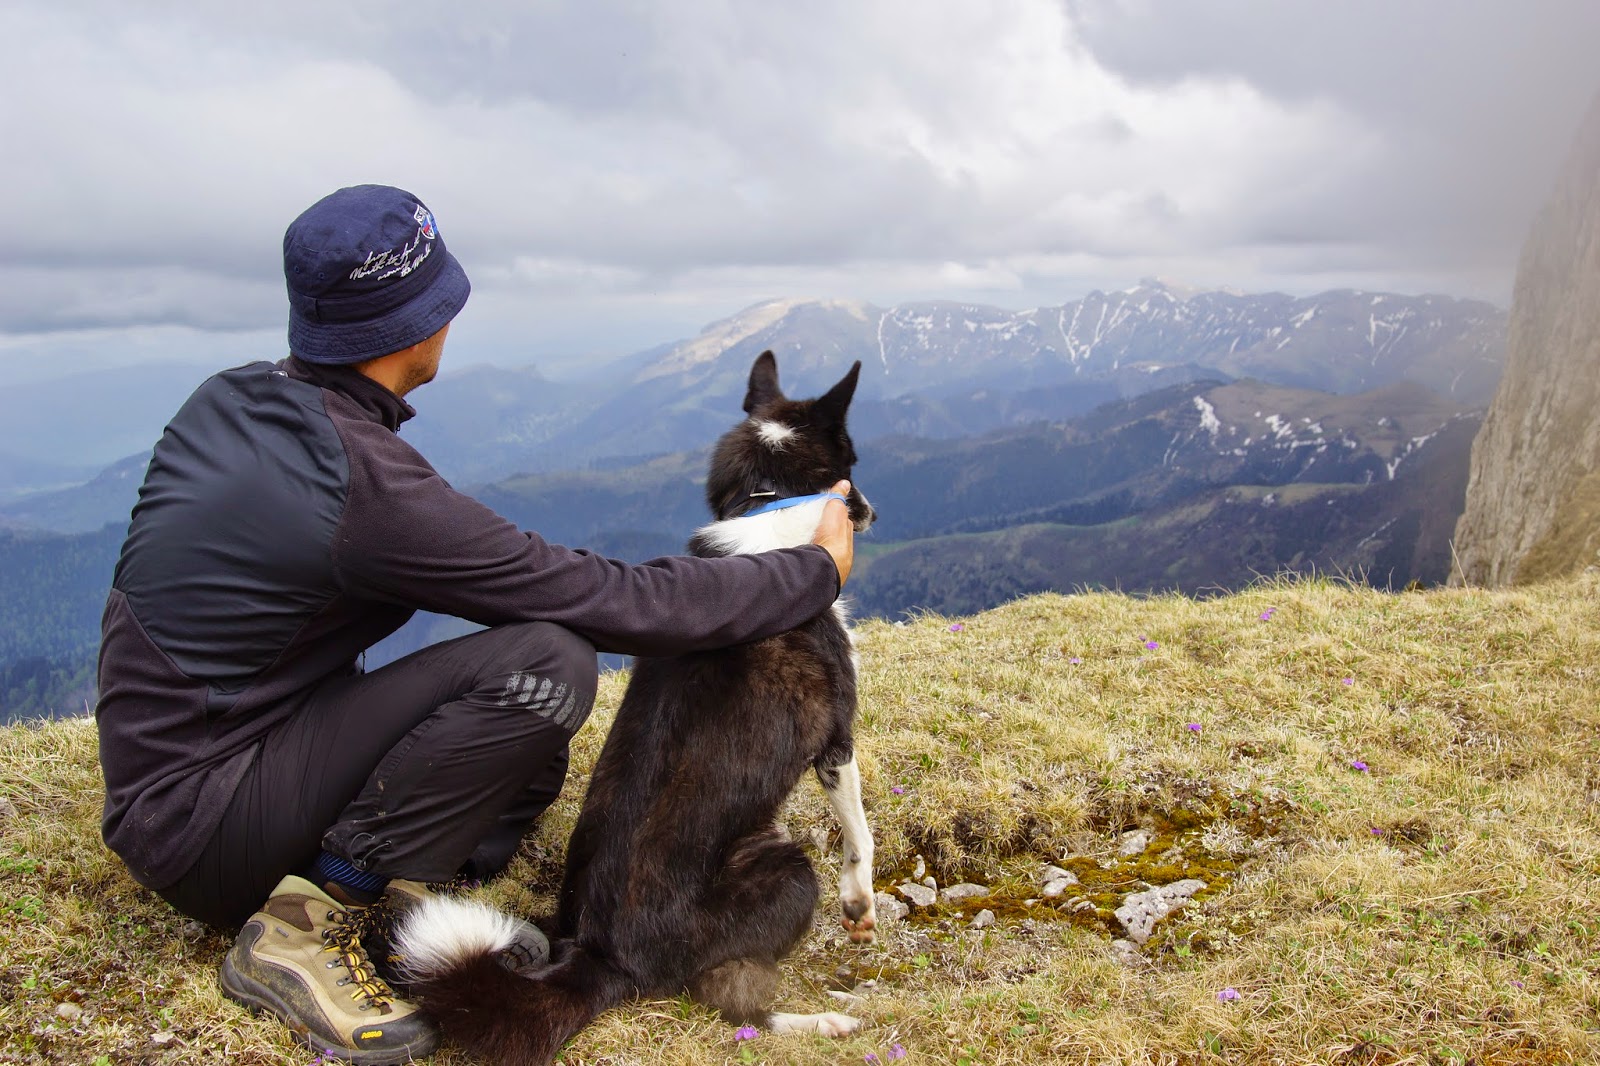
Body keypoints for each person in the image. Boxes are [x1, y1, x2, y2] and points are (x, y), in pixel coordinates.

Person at [94, 184, 855, 1063]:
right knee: (547, 666)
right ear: (418, 326)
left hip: (182, 780)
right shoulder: (359, 485)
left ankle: (404, 896)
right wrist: (810, 570)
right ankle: (305, 928)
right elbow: (599, 598)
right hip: (204, 824)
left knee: (529, 749)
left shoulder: (236, 400)